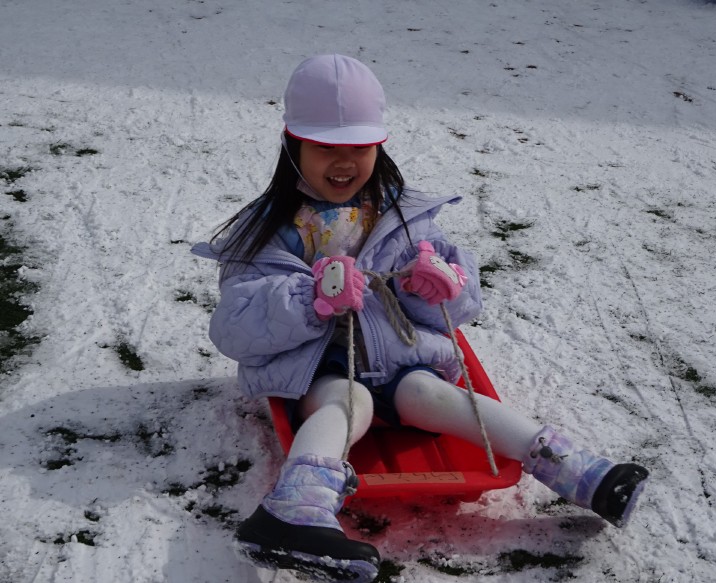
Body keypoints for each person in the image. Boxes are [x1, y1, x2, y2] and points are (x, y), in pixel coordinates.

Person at [192, 54, 649, 582]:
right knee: (350, 401)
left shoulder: (403, 215)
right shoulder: (270, 231)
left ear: (379, 146)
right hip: (317, 369)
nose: (343, 163)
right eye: (325, 147)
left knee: (433, 394)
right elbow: (235, 326)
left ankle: (580, 473)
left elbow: (463, 304)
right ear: (293, 144)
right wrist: (309, 298)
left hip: (399, 360)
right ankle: (292, 513)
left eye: (359, 147)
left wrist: (436, 287)